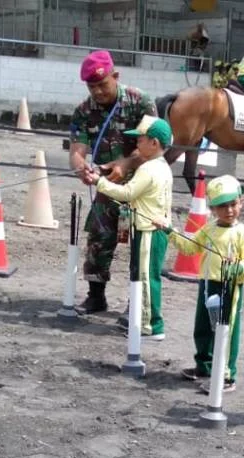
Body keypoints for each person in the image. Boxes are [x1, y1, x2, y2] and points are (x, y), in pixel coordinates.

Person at [69, 50, 158, 313]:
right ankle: (96, 296)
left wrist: (127, 163)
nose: (97, 92)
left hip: (142, 187)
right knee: (98, 237)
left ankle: (137, 305)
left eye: (102, 84)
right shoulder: (84, 111)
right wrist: (80, 167)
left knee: (141, 244)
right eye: (91, 86)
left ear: (115, 76)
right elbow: (77, 149)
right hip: (107, 185)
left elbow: (156, 146)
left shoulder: (140, 102)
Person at [154, 175, 244, 393]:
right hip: (208, 285)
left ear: (241, 203)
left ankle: (226, 375)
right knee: (203, 327)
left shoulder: (243, 233)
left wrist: (238, 268)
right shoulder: (209, 229)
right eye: (222, 206)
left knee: (226, 331)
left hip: (229, 287)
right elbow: (189, 248)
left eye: (233, 204)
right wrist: (169, 230)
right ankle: (204, 366)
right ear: (212, 209)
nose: (229, 210)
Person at [83, 116, 173, 340]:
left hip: (148, 231)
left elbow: (127, 193)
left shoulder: (148, 169)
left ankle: (150, 325)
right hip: (153, 229)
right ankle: (146, 321)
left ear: (154, 143)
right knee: (146, 275)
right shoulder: (162, 167)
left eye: (141, 140)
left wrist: (99, 183)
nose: (137, 144)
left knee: (145, 276)